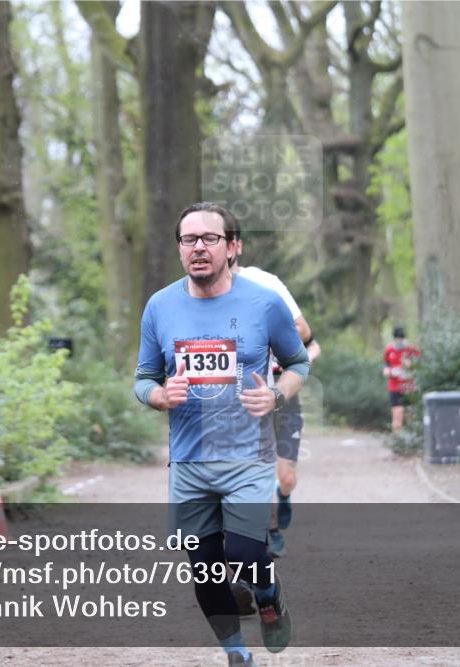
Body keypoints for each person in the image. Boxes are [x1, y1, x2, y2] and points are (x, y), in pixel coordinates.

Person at [134, 202, 310, 666]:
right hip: (189, 462)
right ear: (179, 249)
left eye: (209, 239)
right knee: (207, 571)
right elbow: (143, 378)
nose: (198, 248)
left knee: (247, 552)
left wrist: (276, 396)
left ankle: (269, 593)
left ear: (231, 248)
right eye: (188, 240)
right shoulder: (160, 306)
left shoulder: (264, 303)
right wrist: (158, 395)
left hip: (248, 456)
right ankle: (237, 655)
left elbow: (299, 362)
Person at [225, 216, 320, 559]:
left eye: (222, 240)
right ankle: (266, 529)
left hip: (278, 394)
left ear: (235, 247)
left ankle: (283, 497)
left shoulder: (264, 283)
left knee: (285, 476)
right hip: (234, 400)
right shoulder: (195, 294)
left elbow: (305, 333)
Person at [383, 326, 420, 434]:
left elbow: (420, 365)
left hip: (409, 387)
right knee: (397, 414)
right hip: (395, 387)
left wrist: (410, 365)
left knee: (411, 416)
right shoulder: (389, 349)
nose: (399, 341)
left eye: (401, 338)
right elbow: (386, 366)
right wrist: (388, 371)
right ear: (394, 339)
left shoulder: (411, 349)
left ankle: (412, 440)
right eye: (397, 339)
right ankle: (397, 442)